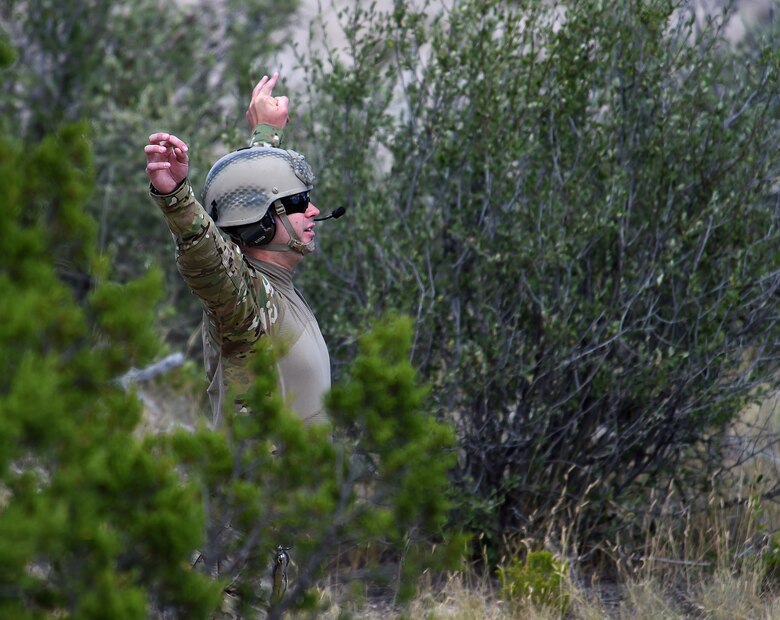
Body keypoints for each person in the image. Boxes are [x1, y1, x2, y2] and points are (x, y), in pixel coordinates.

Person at [144, 72, 331, 429]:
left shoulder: (277, 291)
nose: (313, 210)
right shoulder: (245, 304)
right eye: (298, 202)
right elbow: (210, 259)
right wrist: (177, 200)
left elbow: (255, 187)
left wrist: (266, 136)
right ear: (259, 219)